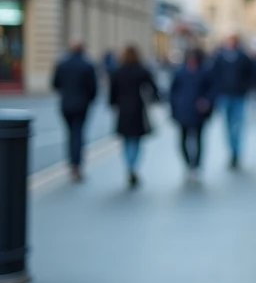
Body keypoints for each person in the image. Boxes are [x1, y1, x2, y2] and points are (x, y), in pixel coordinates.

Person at [109, 44, 159, 189]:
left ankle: (129, 165)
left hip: (123, 108)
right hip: (137, 107)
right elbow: (152, 87)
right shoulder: (141, 70)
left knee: (126, 140)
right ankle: (133, 166)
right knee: (136, 140)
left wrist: (113, 103)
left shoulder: (118, 71)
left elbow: (113, 91)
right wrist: (154, 99)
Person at [52, 40, 98, 182]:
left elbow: (55, 84)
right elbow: (93, 88)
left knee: (70, 134)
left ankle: (72, 163)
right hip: (82, 105)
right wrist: (89, 100)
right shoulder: (87, 65)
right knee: (78, 133)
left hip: (66, 104)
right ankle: (76, 164)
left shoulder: (62, 64)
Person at [210, 35, 255, 169]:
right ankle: (231, 151)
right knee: (228, 125)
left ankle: (236, 153)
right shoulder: (220, 58)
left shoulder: (243, 58)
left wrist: (245, 87)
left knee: (237, 126)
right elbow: (214, 76)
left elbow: (251, 74)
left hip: (238, 96)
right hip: (224, 96)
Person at [170, 48, 214, 182]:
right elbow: (173, 92)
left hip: (198, 112)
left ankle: (196, 166)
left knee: (198, 139)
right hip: (183, 111)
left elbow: (211, 90)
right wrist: (175, 108)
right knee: (183, 140)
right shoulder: (180, 73)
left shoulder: (204, 73)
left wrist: (206, 101)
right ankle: (188, 164)